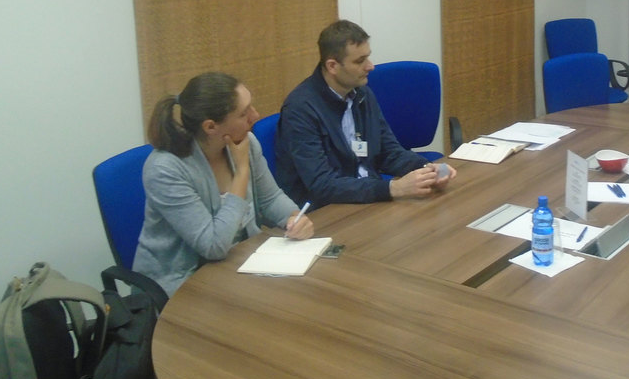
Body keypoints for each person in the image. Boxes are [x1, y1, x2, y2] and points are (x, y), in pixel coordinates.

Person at [133, 72, 314, 296]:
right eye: (243, 113)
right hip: (180, 283)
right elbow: (213, 246)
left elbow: (270, 198)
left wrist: (293, 218)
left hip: (239, 263)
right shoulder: (165, 169)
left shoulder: (246, 142)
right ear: (211, 127)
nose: (255, 116)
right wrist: (241, 173)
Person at [276, 19, 456, 209]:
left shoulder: (362, 94)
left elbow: (388, 152)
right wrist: (392, 188)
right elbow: (322, 185)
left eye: (368, 57)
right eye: (359, 61)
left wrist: (427, 170)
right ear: (332, 66)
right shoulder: (300, 109)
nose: (370, 66)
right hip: (327, 210)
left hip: (368, 198)